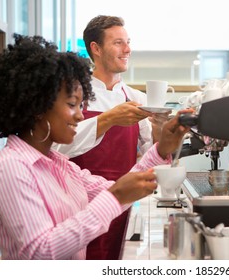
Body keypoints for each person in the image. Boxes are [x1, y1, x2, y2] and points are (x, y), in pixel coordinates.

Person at [0, 34, 190, 260]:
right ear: (37, 106)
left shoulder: (60, 165)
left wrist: (162, 149)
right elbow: (40, 252)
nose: (81, 115)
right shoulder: (12, 168)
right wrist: (115, 196)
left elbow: (115, 188)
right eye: (72, 105)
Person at [52, 15, 170, 260]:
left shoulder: (135, 97)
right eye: (118, 43)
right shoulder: (75, 94)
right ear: (95, 48)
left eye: (128, 42)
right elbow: (56, 149)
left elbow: (150, 153)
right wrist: (109, 118)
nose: (127, 49)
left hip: (123, 205)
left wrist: (161, 128)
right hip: (78, 207)